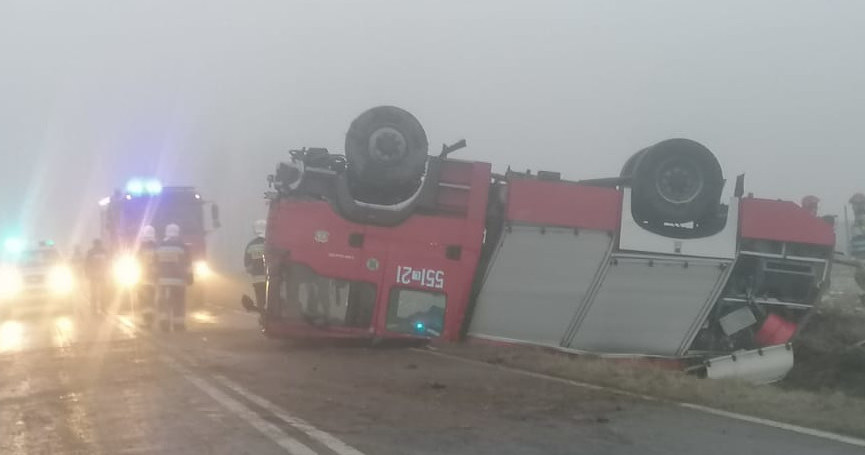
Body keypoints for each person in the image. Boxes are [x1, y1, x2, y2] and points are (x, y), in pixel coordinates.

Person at [154, 223, 192, 332]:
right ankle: (178, 325)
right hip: (178, 281)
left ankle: (164, 323)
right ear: (178, 233)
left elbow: (155, 264)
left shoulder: (160, 247)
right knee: (179, 302)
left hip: (163, 281)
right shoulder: (182, 247)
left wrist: (155, 277)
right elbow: (188, 264)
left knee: (164, 301)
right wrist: (189, 277)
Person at [137, 225, 158, 328]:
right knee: (152, 299)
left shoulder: (141, 248)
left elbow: (137, 262)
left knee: (145, 300)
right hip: (153, 279)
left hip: (143, 279)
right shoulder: (157, 247)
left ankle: (147, 320)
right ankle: (151, 319)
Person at [244, 219, 267, 310]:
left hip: (257, 279)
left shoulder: (251, 245)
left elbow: (247, 265)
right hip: (273, 278)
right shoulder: (271, 243)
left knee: (260, 300)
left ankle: (263, 316)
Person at [84, 239, 109, 315]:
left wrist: (87, 274)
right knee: (100, 293)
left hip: (96, 275)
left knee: (97, 294)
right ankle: (101, 309)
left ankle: (96, 310)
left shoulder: (91, 252)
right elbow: (86, 264)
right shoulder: (104, 252)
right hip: (99, 276)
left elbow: (86, 264)